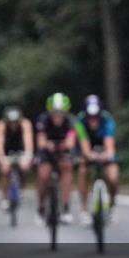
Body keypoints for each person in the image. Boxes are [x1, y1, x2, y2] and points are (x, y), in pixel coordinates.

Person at [35, 93, 92, 225]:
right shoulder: (43, 120)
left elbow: (71, 139)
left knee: (67, 168)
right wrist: (47, 144)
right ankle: (41, 208)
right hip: (47, 151)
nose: (58, 116)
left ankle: (66, 208)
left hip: (63, 150)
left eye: (61, 113)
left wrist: (66, 144)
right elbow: (41, 140)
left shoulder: (72, 121)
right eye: (55, 113)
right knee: (43, 175)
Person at [81, 94, 120, 219]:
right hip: (87, 149)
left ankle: (112, 203)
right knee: (83, 171)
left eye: (95, 116)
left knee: (113, 176)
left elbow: (109, 143)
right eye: (90, 117)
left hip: (104, 149)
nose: (93, 120)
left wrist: (107, 154)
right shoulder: (80, 121)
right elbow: (84, 142)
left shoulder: (107, 120)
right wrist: (89, 155)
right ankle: (84, 208)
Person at [0, 105, 34, 210]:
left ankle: (21, 188)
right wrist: (1, 158)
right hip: (7, 149)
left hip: (20, 148)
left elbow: (28, 141)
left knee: (24, 167)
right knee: (5, 171)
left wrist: (27, 156)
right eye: (11, 122)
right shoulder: (1, 125)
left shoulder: (25, 123)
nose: (13, 125)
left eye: (15, 122)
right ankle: (4, 197)